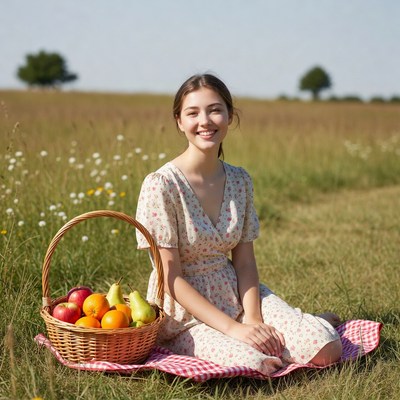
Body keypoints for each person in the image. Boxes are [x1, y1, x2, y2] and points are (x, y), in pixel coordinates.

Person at [135, 73, 342, 375]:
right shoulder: (161, 185)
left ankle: (311, 323)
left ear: (229, 116)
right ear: (179, 121)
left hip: (237, 293)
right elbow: (171, 278)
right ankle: (298, 322)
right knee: (259, 364)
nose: (205, 121)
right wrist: (235, 330)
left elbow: (244, 263)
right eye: (193, 113)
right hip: (185, 313)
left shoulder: (239, 180)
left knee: (325, 349)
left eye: (215, 110)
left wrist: (254, 320)